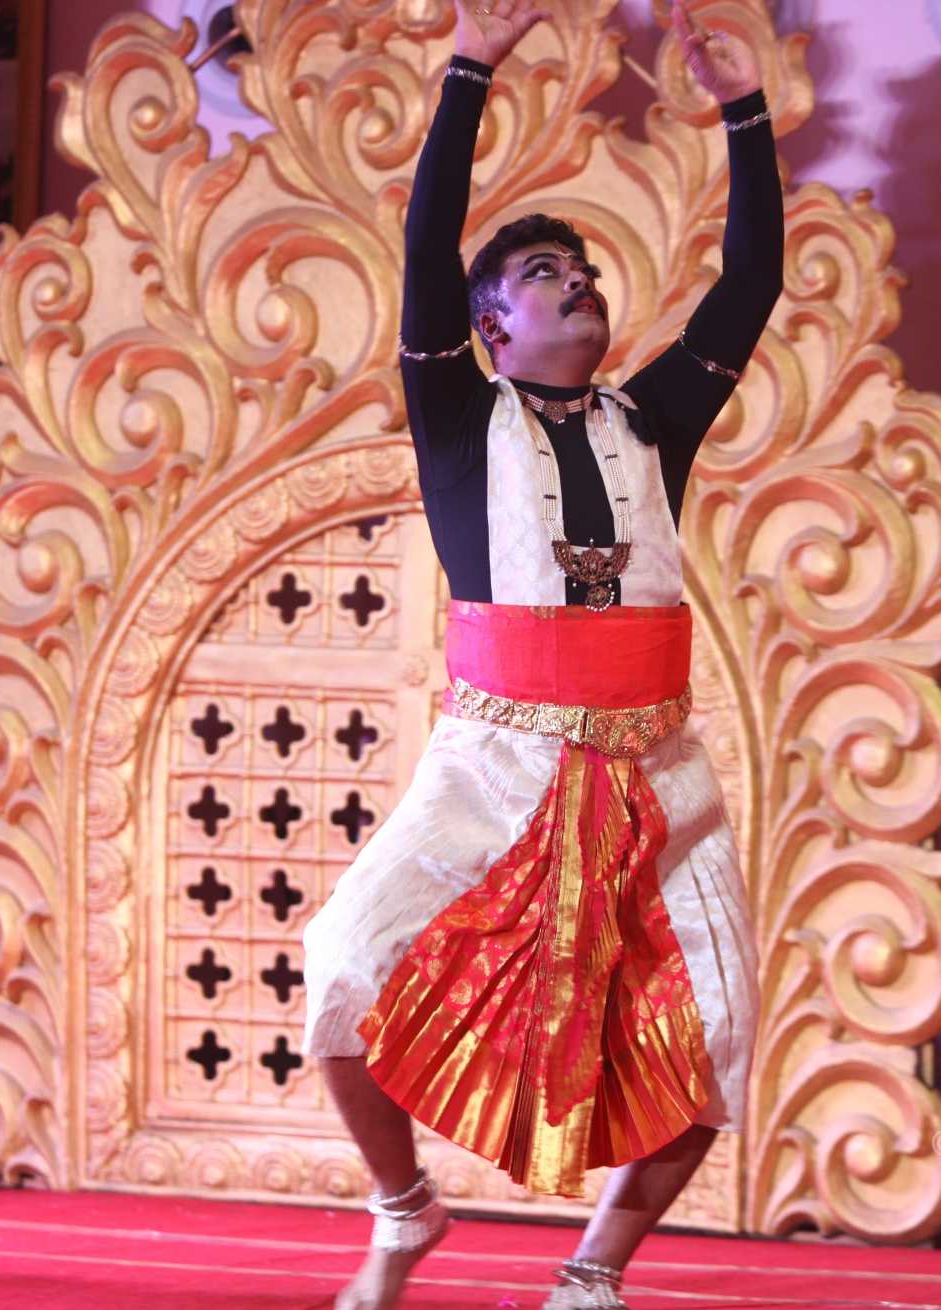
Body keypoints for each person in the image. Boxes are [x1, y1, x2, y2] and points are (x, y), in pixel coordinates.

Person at [301, 1, 782, 1306]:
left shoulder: (653, 422)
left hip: (656, 776)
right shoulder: (459, 414)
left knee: (717, 1042)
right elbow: (424, 250)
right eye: (543, 273)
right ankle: (404, 1212)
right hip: (494, 765)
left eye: (585, 269)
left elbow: (748, 287)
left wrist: (744, 112)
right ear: (492, 330)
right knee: (340, 972)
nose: (578, 280)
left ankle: (588, 1279)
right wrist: (469, 67)